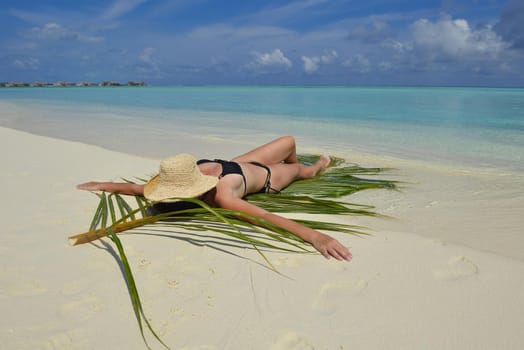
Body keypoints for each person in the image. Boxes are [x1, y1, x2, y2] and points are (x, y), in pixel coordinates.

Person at [77, 136, 352, 261]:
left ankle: (295, 162)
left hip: (235, 164)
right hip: (266, 178)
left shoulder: (179, 174)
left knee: (289, 142)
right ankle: (311, 168)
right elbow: (267, 217)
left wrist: (102, 184)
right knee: (301, 170)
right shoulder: (224, 197)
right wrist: (316, 237)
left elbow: (139, 189)